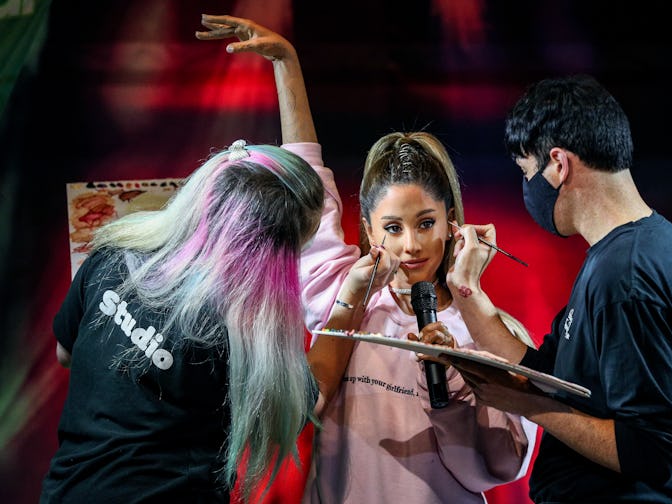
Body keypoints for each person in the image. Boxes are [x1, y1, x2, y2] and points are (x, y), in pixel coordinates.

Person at [196, 14, 534, 504]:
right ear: (369, 233)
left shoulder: (490, 332)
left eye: (425, 223)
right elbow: (308, 181)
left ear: (452, 222)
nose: (412, 245)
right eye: (393, 228)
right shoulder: (347, 300)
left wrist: (453, 381)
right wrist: (286, 64)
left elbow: (501, 467)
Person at [442, 75, 672, 503]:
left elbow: (652, 450)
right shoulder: (646, 247)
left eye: (526, 172)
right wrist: (466, 290)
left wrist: (525, 406)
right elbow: (546, 374)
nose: (526, 189)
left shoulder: (627, 273)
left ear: (558, 164)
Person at [40, 139, 329, 503]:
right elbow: (308, 405)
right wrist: (348, 306)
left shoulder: (114, 255)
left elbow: (65, 353)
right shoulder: (239, 332)